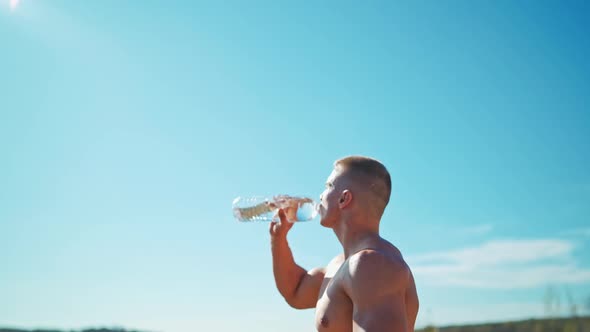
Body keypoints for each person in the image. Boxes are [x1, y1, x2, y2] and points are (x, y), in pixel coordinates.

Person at [270, 156, 419, 331]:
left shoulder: (372, 264)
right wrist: (278, 238)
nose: (320, 195)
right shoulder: (342, 264)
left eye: (328, 186)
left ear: (344, 199)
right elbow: (295, 291)